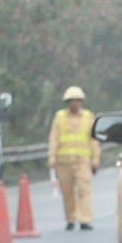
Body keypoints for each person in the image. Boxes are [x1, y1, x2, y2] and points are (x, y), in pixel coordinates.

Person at [49, 85, 101, 230]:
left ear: (81, 101)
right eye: (72, 100)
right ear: (67, 102)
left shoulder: (88, 117)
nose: (74, 103)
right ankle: (70, 218)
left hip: (82, 160)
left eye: (77, 100)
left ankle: (84, 219)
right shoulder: (59, 117)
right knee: (67, 192)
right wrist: (52, 157)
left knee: (84, 190)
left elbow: (93, 139)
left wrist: (95, 159)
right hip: (63, 161)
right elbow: (54, 138)